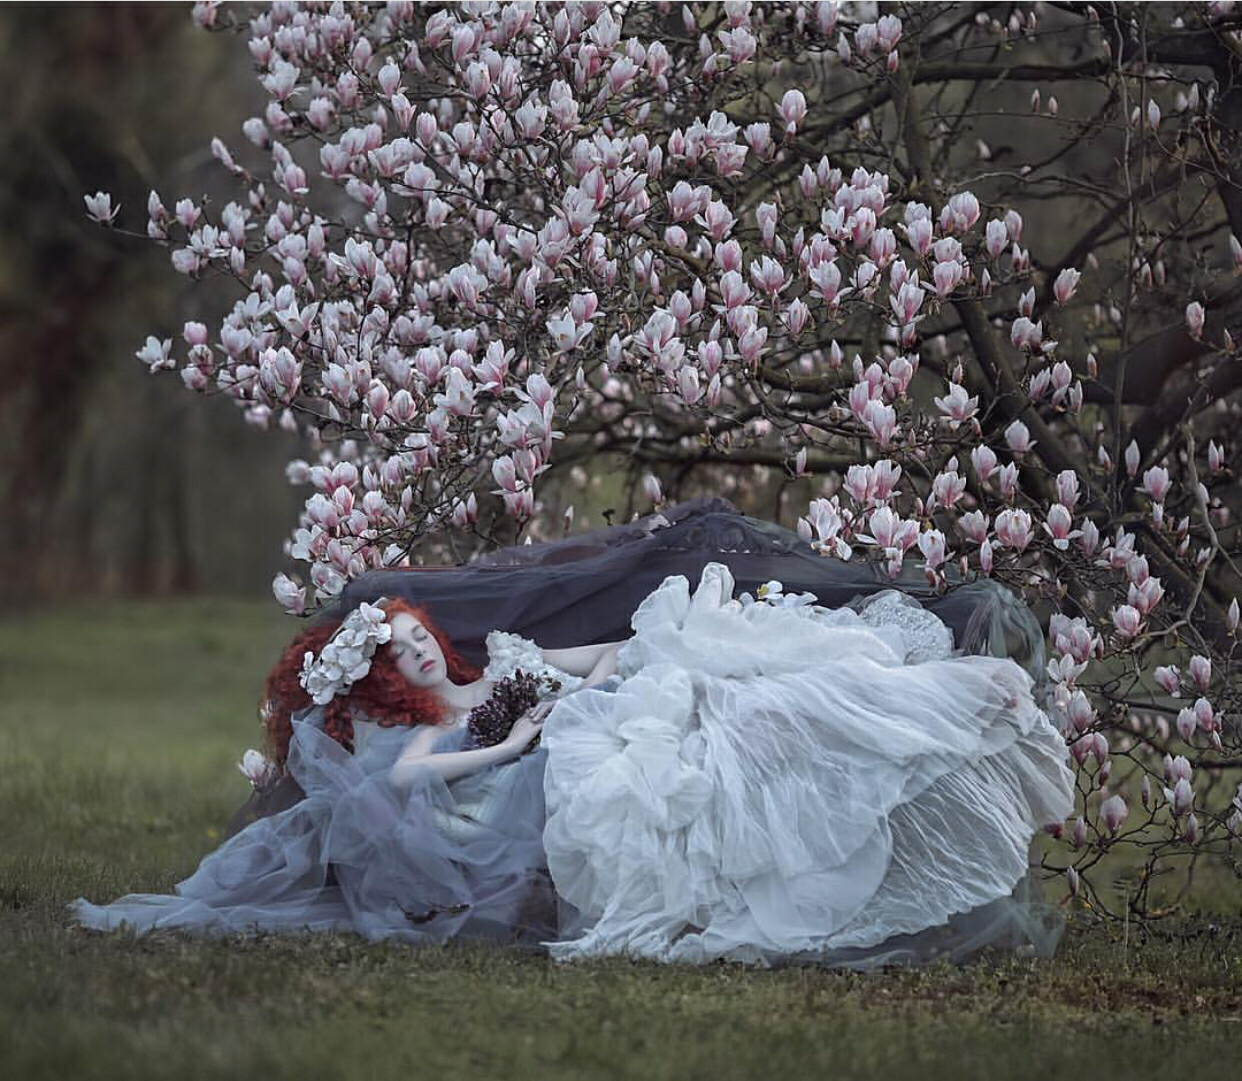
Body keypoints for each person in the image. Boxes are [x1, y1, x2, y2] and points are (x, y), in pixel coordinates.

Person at [70, 561, 1076, 969]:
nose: (419, 653)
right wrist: (517, 740)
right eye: (399, 655)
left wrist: (597, 676)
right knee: (738, 735)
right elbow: (409, 779)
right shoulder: (428, 729)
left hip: (608, 707)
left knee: (749, 689)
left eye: (418, 636)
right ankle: (909, 727)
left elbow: (593, 655)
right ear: (384, 681)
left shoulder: (494, 667)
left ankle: (927, 703)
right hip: (569, 765)